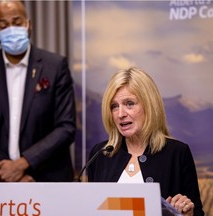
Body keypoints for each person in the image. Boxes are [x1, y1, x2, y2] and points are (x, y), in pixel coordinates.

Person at [0, 0, 76, 182]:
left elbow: (66, 127)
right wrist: (8, 171)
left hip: (47, 179)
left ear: (28, 25)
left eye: (17, 23)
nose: (11, 29)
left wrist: (23, 163)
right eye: (4, 25)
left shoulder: (55, 66)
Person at [87, 67, 204, 216]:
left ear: (149, 105)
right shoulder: (100, 154)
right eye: (114, 106)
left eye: (129, 103)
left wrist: (188, 213)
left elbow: (198, 213)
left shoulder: (177, 153)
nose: (120, 114)